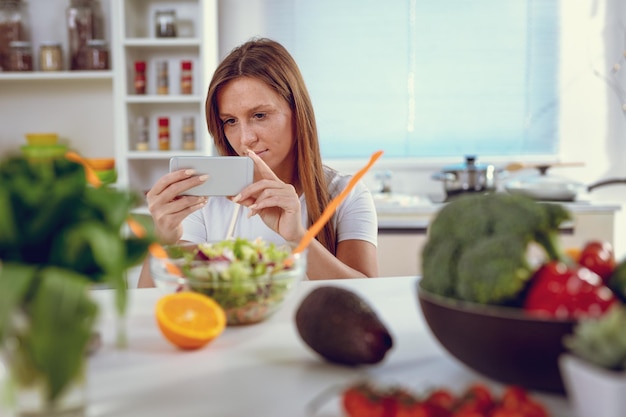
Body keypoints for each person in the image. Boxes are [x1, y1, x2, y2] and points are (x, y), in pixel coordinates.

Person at [138, 38, 378, 287]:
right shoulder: (203, 200)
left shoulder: (347, 194)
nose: (245, 139)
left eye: (259, 115)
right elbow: (148, 303)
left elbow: (366, 294)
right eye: (230, 121)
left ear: (297, 112)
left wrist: (297, 237)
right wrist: (162, 240)